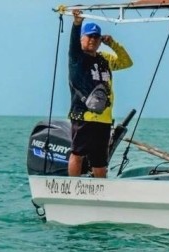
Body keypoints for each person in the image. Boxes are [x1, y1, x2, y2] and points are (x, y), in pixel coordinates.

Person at [68, 10, 133, 178]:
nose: (92, 40)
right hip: (83, 116)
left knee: (100, 160)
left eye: (96, 37)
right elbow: (74, 43)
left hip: (104, 118)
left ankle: (100, 191)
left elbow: (127, 62)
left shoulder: (105, 59)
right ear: (82, 38)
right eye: (89, 36)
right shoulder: (77, 58)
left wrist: (113, 44)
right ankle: (73, 187)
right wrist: (76, 24)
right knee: (78, 153)